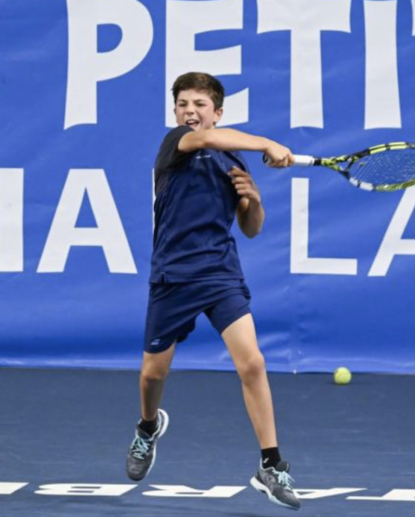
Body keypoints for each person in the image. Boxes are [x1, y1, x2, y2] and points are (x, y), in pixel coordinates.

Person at [125, 72, 300, 511]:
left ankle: (271, 464)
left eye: (200, 105)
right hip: (173, 277)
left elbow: (251, 229)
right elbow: (204, 142)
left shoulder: (231, 163)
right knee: (153, 375)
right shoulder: (176, 144)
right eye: (183, 103)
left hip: (220, 274)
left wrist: (254, 200)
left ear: (217, 113)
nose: (190, 111)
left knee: (253, 362)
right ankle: (148, 428)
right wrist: (265, 143)